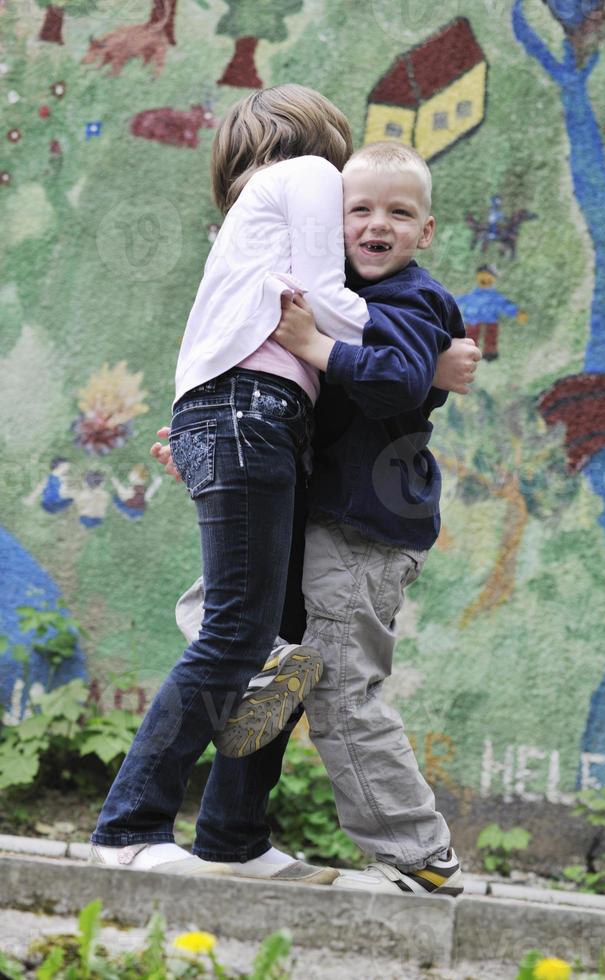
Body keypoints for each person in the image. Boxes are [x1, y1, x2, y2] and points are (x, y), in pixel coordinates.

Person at [89, 85, 470, 884]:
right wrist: (420, 361)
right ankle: (129, 829)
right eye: (354, 201)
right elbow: (328, 314)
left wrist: (419, 371)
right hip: (249, 419)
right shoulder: (302, 177)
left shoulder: (258, 226)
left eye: (395, 215)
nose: (365, 221)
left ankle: (233, 837)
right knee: (238, 634)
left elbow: (254, 351)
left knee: (273, 649)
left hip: (258, 426)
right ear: (325, 150)